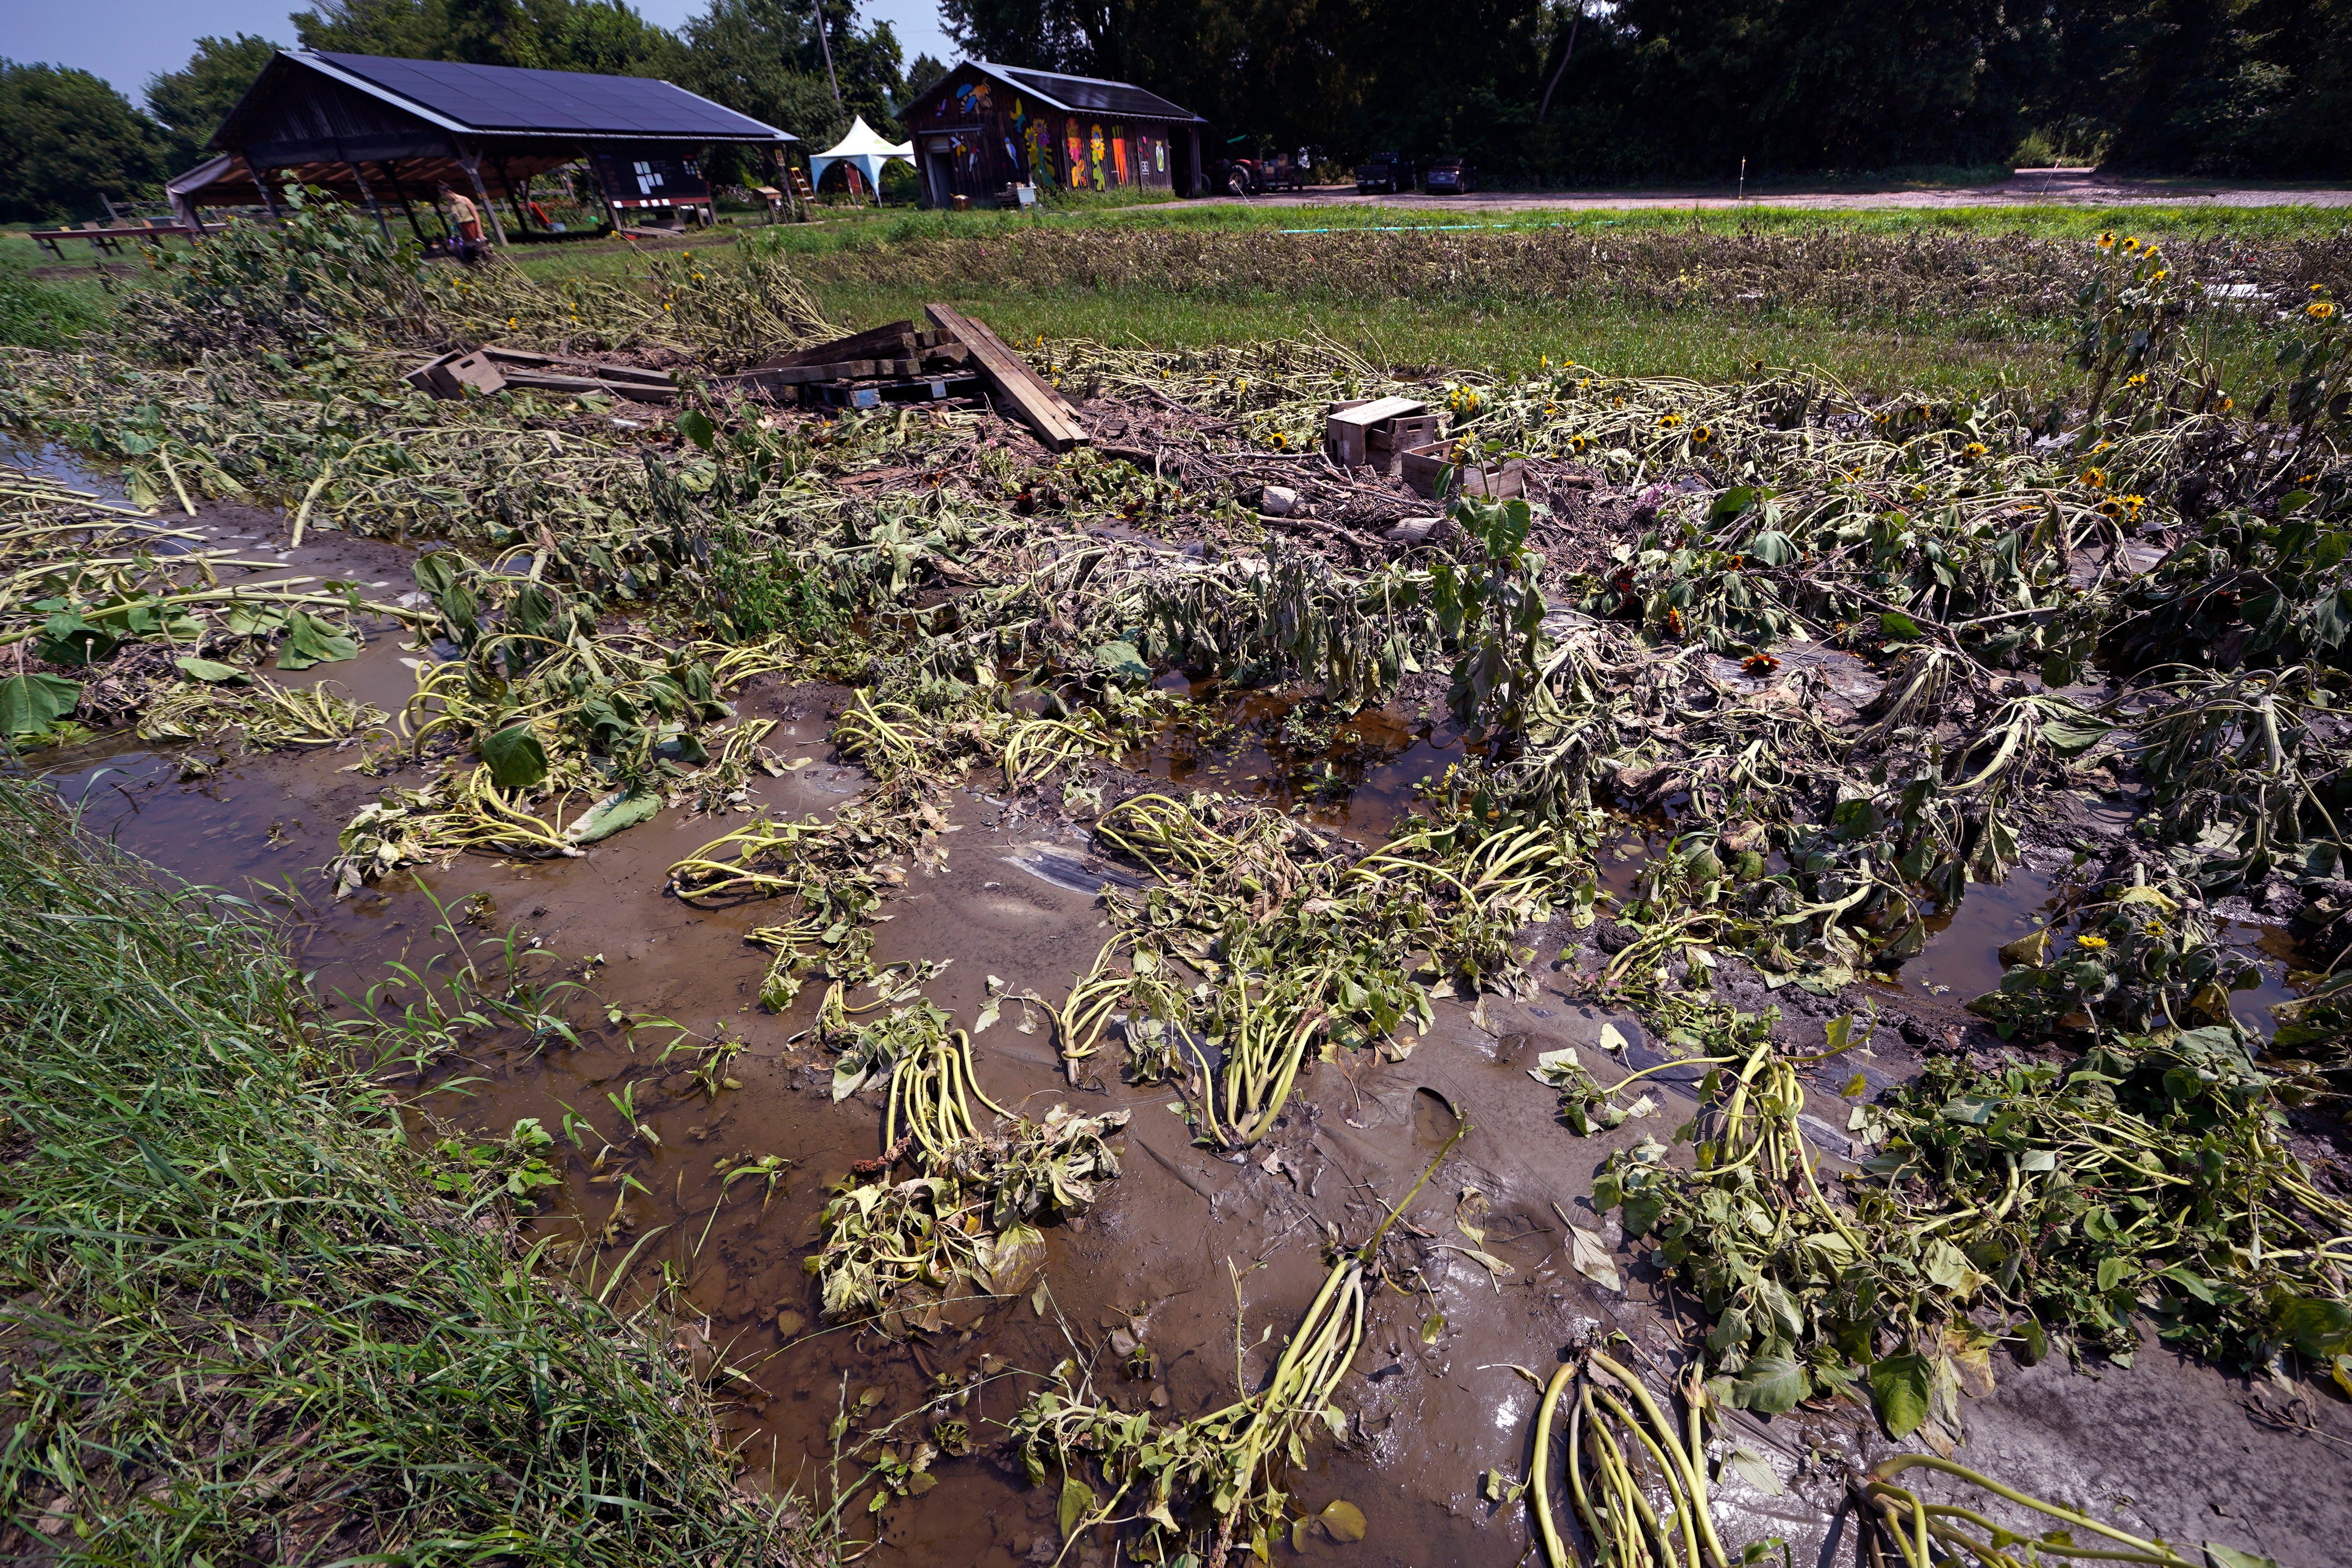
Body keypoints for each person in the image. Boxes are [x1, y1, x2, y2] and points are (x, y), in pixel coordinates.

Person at [437, 182, 485, 258]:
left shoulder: (465, 200)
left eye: (444, 194)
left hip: (471, 226)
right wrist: (452, 216)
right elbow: (452, 220)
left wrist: (479, 232)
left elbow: (476, 216)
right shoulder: (450, 203)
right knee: (468, 248)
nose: (444, 197)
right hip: (461, 228)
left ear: (449, 192)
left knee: (478, 246)